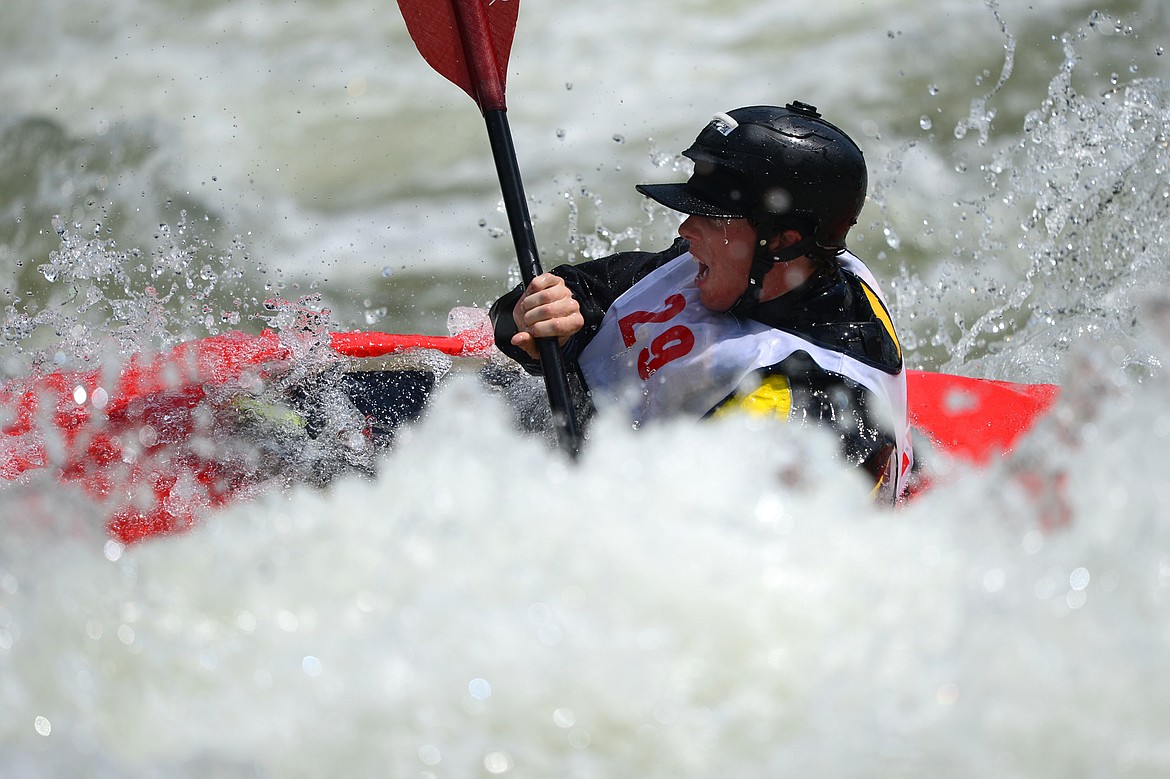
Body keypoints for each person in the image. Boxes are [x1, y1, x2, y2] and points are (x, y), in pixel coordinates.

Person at [489, 100, 913, 501]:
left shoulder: (804, 409)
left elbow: (686, 542)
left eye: (713, 217)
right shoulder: (734, 269)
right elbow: (542, 308)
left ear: (784, 240)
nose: (686, 229)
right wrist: (537, 318)